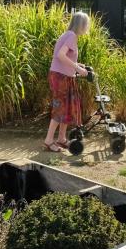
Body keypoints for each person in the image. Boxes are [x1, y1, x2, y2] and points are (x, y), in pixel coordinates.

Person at [44, 11, 90, 152]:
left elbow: (66, 57)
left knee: (67, 108)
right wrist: (78, 68)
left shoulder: (68, 34)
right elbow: (60, 55)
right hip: (61, 77)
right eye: (86, 24)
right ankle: (48, 141)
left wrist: (78, 65)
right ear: (81, 24)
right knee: (61, 108)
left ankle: (61, 138)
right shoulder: (71, 36)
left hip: (63, 76)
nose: (87, 27)